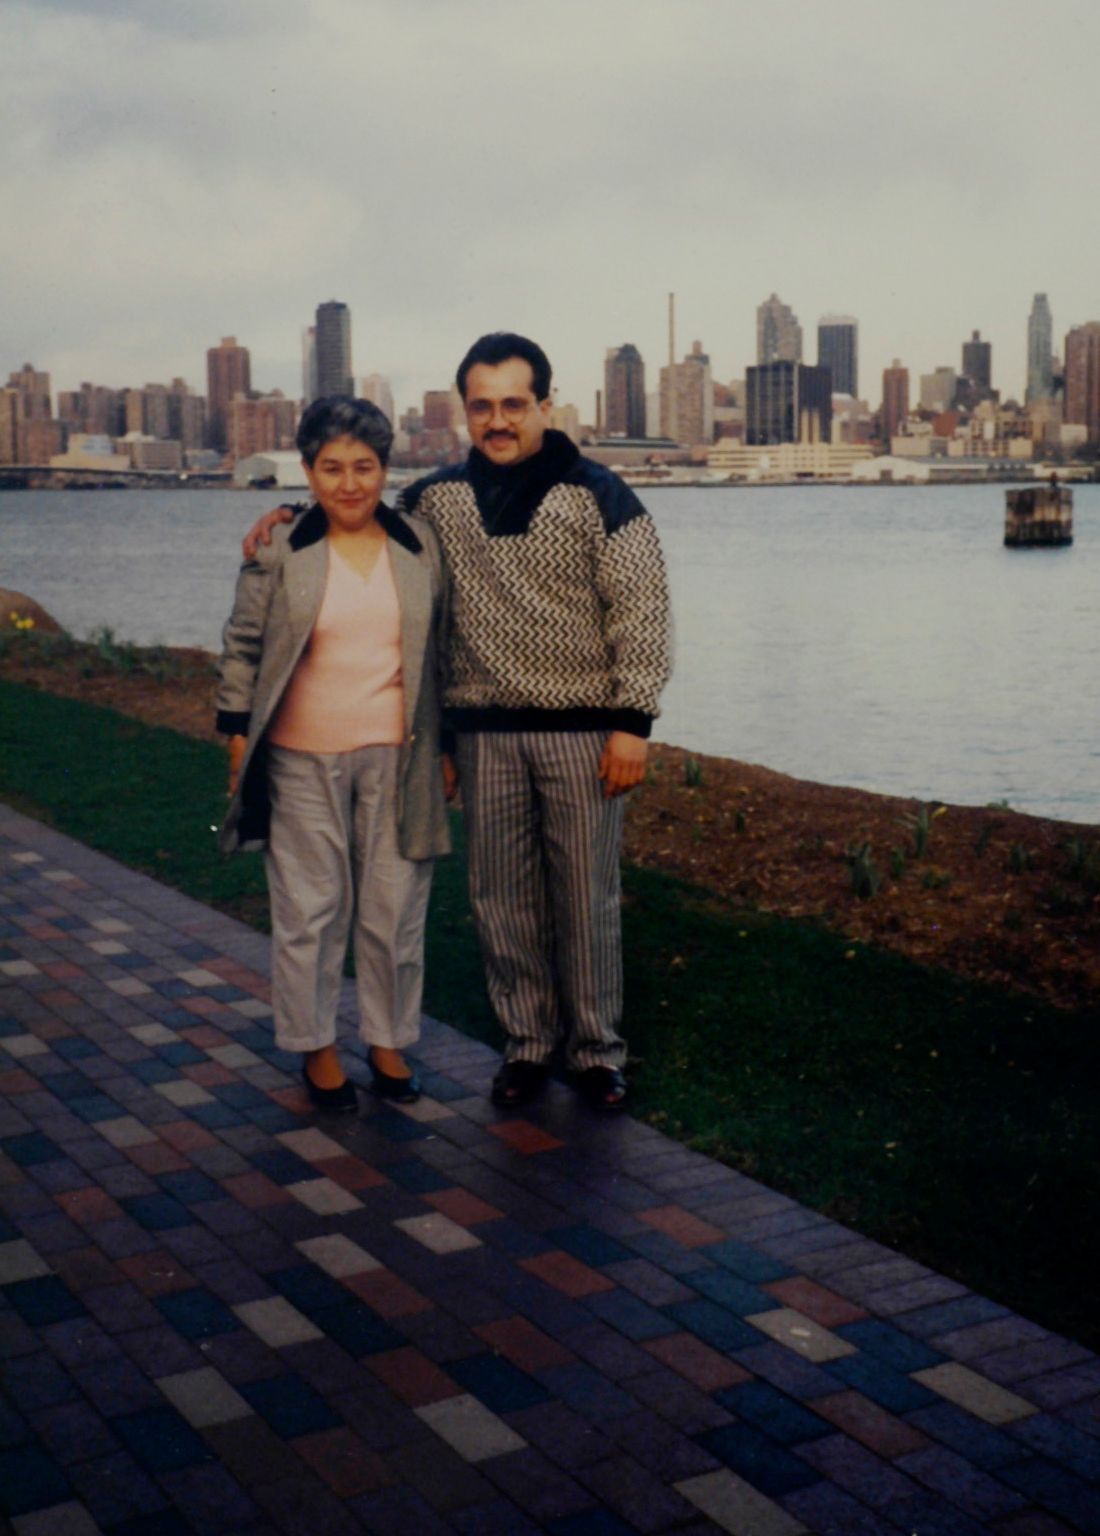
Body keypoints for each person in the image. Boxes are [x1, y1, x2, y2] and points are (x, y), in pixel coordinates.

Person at [244, 335, 671, 1112]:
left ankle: (596, 1052)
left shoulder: (602, 496)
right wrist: (290, 517)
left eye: (514, 404)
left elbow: (642, 612)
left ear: (545, 405)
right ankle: (528, 1045)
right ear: (464, 411)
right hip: (482, 734)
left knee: (585, 898)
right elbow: (356, 509)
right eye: (482, 406)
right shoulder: (436, 501)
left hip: (583, 732)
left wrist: (632, 722)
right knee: (500, 901)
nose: (498, 420)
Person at [219, 395, 450, 1112]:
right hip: (299, 759)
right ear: (308, 471)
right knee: (310, 912)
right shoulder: (279, 546)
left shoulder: (420, 544)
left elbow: (442, 654)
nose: (349, 484)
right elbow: (242, 648)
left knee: (394, 910)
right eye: (331, 468)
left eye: (364, 466)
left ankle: (387, 1042)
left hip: (399, 758)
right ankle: (316, 1048)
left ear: (386, 468)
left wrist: (446, 748)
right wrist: (237, 740)